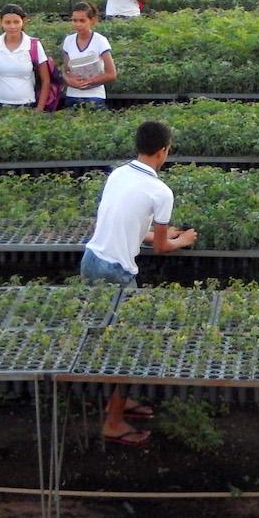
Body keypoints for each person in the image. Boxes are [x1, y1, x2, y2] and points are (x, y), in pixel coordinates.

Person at [80, 120, 198, 448]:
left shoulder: (118, 174)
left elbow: (127, 226)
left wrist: (166, 233)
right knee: (127, 348)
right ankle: (114, 422)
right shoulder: (161, 191)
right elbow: (160, 247)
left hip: (90, 261)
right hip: (116, 271)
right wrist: (183, 240)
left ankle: (118, 400)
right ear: (163, 151)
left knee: (103, 338)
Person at [62, 1, 117, 108]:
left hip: (95, 97)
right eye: (74, 20)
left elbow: (111, 74)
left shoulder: (100, 41)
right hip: (72, 95)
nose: (78, 24)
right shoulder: (68, 40)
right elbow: (66, 69)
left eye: (82, 21)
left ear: (92, 21)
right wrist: (69, 80)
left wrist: (89, 81)